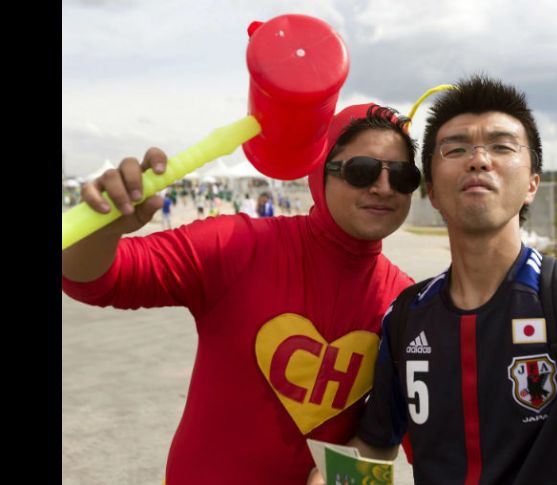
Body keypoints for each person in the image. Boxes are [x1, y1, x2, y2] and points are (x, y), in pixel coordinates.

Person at [308, 75, 557, 484]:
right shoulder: (408, 316)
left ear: (533, 183)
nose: (479, 159)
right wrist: (327, 478)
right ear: (431, 189)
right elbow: (377, 441)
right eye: (456, 148)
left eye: (502, 146)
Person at [61, 104, 423, 484]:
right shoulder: (237, 246)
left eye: (402, 176)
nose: (383, 187)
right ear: (320, 173)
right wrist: (102, 228)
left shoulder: (407, 305)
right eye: (361, 170)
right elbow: (99, 280)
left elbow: (398, 434)